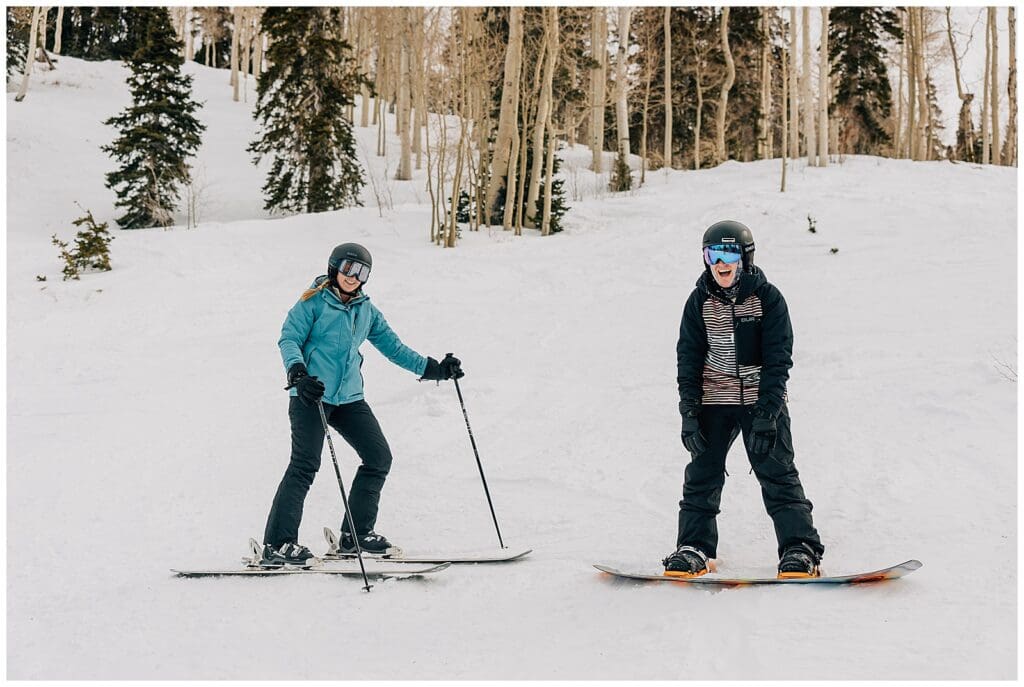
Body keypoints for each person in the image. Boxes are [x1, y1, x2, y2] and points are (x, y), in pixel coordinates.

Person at [260, 242, 463, 567]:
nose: (354, 277)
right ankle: (278, 543)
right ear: (334, 269)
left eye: (362, 272)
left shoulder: (365, 311)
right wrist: (298, 373)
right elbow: (289, 338)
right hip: (311, 395)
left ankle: (355, 536)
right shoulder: (312, 302)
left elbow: (394, 348)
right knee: (304, 465)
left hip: (349, 397)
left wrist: (435, 368)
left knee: (378, 457)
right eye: (348, 269)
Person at [665, 220, 824, 579]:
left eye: (729, 253)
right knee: (702, 475)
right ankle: (695, 548)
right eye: (713, 254)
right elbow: (688, 359)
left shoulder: (767, 298)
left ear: (745, 257)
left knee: (777, 471)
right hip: (713, 398)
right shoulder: (698, 302)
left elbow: (778, 358)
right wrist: (689, 413)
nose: (721, 263)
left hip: (759, 399)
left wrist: (768, 413)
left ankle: (801, 548)